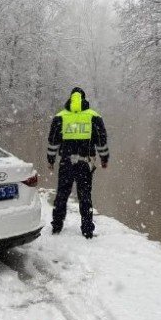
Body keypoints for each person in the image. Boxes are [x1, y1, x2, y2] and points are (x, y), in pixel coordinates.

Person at [47, 87, 109, 238]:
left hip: (66, 163)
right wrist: (104, 158)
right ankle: (87, 230)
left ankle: (56, 226)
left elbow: (53, 142)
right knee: (85, 196)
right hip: (85, 163)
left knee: (62, 194)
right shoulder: (93, 116)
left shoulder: (60, 117)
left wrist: (51, 160)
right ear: (84, 99)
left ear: (70, 99)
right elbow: (101, 141)